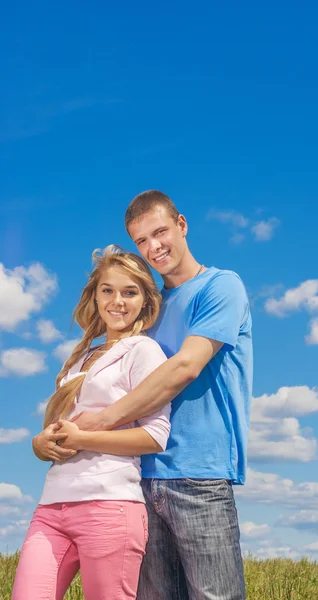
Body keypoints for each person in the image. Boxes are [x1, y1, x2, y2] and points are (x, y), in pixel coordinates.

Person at [35, 190, 253, 600]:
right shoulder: (146, 309)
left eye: (161, 232)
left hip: (199, 473)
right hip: (138, 478)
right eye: (141, 240)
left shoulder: (221, 286)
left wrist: (99, 422)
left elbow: (186, 367)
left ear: (182, 225)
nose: (154, 247)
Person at [14, 245, 171, 600]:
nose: (118, 301)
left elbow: (154, 436)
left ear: (145, 300)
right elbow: (62, 430)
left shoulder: (144, 352)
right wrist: (40, 445)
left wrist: (83, 438)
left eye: (130, 292)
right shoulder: (82, 356)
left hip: (109, 506)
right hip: (52, 505)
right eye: (108, 290)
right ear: (95, 295)